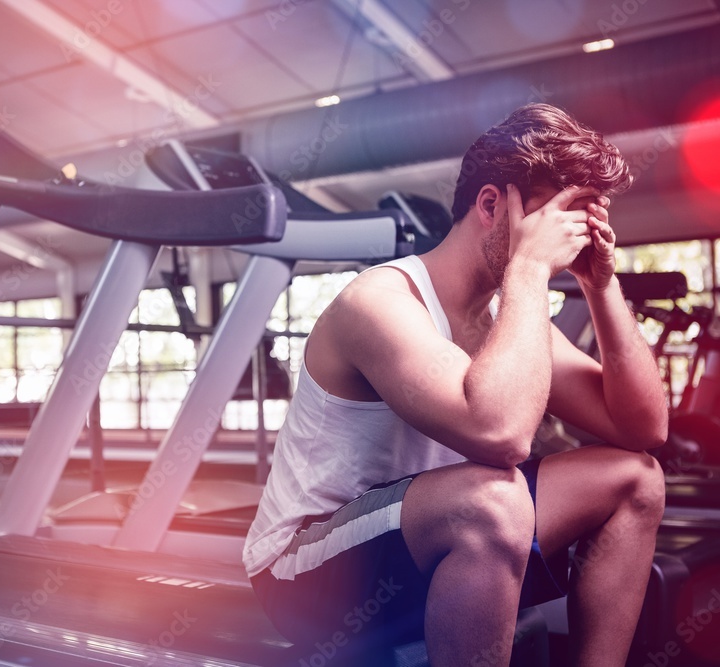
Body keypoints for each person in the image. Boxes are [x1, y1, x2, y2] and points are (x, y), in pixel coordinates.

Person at [243, 103, 668, 666]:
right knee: (495, 498)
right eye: (556, 217)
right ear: (492, 204)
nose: (567, 238)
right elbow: (501, 436)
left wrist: (600, 285)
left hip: (428, 540)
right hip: (307, 575)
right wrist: (530, 270)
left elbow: (643, 427)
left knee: (635, 478)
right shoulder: (380, 302)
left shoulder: (508, 317)